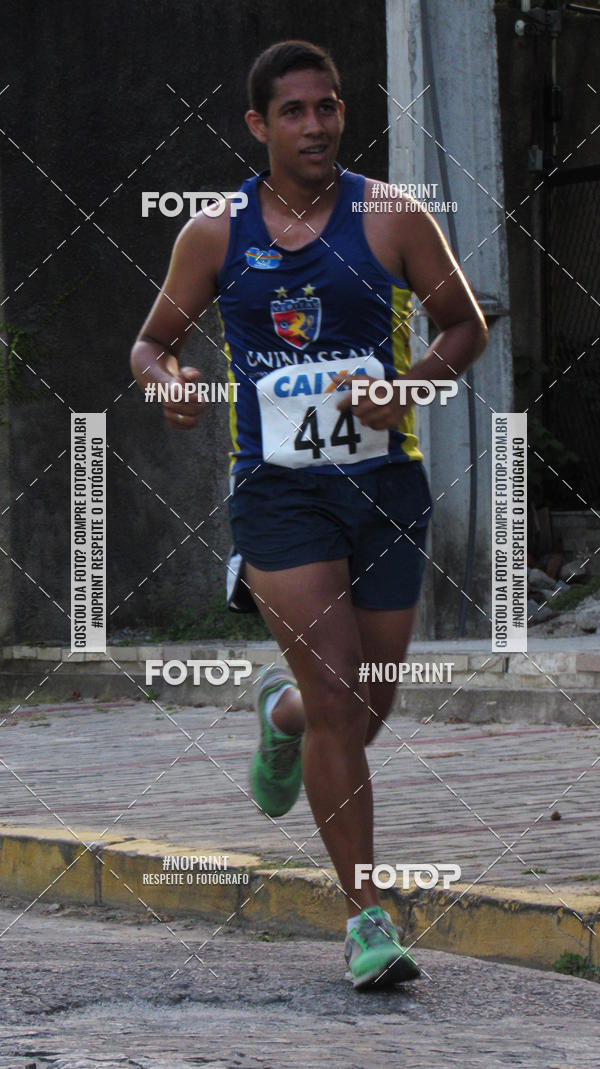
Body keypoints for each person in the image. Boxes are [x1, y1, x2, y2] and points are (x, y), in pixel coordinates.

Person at [131, 40, 487, 989]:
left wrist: (410, 386)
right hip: (279, 493)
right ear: (259, 126)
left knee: (362, 705)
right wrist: (169, 382)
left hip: (385, 491)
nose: (317, 125)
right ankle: (367, 918)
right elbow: (151, 341)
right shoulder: (213, 233)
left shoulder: (391, 216)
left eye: (327, 107)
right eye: (294, 111)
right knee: (342, 699)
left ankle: (279, 716)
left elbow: (466, 324)